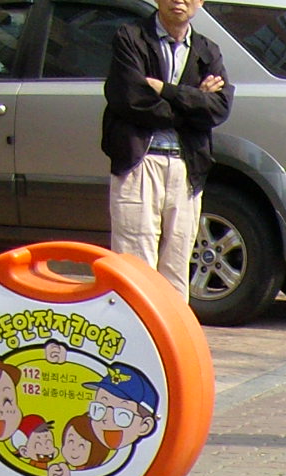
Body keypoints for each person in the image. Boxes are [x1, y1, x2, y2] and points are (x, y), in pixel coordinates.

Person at [102, 0, 232, 298]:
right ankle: (139, 341)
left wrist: (168, 90)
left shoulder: (207, 50)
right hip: (140, 162)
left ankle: (171, 342)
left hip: (186, 168)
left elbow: (220, 107)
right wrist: (193, 102)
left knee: (176, 269)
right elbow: (131, 99)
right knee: (135, 268)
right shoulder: (130, 37)